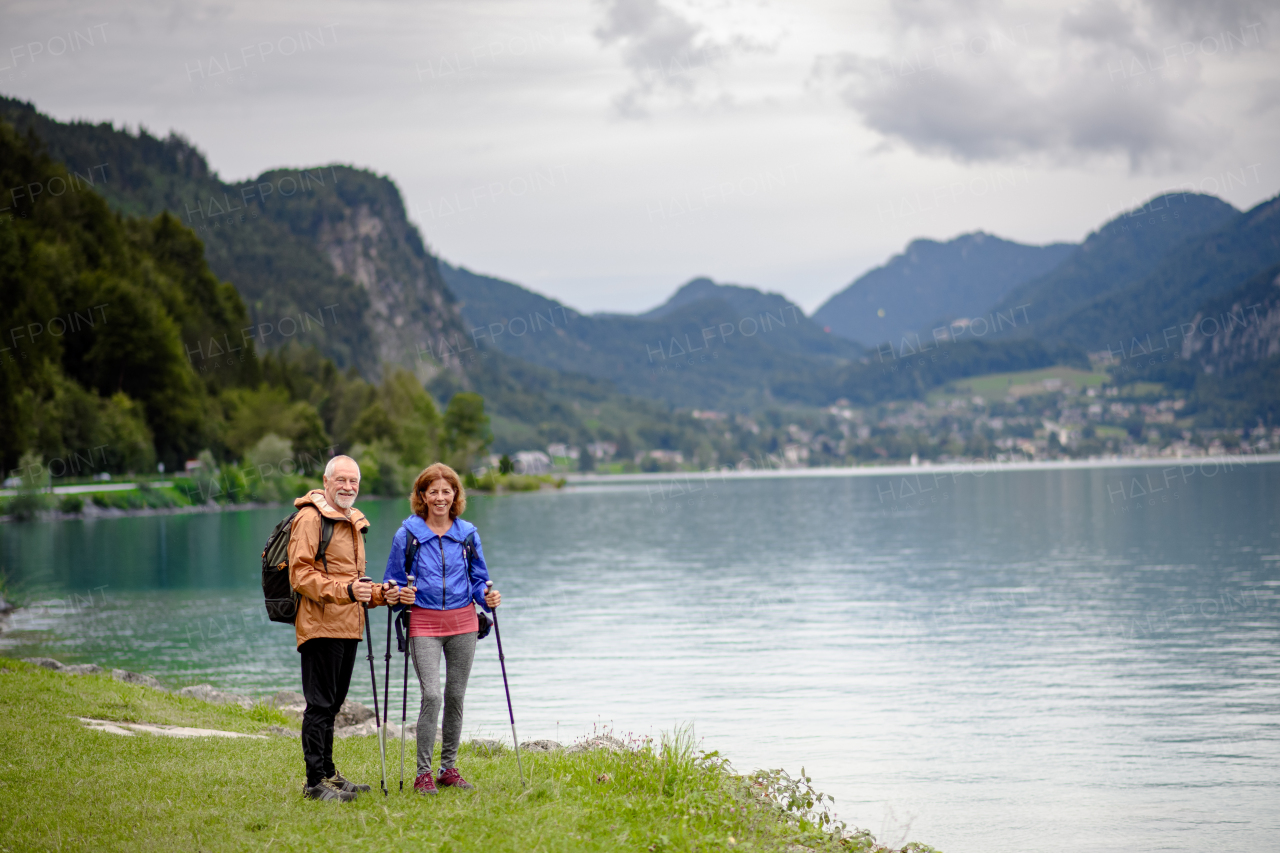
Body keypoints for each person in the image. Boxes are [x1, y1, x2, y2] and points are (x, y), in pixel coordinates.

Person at [382, 462, 501, 795]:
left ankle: (448, 768)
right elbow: (390, 581)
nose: (439, 497)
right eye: (432, 491)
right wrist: (397, 593)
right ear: (422, 495)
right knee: (432, 695)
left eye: (446, 491)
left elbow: (479, 579)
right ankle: (423, 772)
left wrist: (487, 596)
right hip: (423, 622)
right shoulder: (407, 534)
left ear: (455, 495)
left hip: (464, 623)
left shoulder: (467, 534)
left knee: (455, 696)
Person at [289, 454, 390, 802]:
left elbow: (354, 582)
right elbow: (300, 576)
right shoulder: (310, 518)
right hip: (319, 625)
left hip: (349, 625)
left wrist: (379, 594)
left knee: (332, 705)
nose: (348, 487)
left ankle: (329, 773)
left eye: (354, 482)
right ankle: (314, 783)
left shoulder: (352, 521)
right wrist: (347, 591)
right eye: (342, 480)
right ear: (327, 480)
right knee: (319, 706)